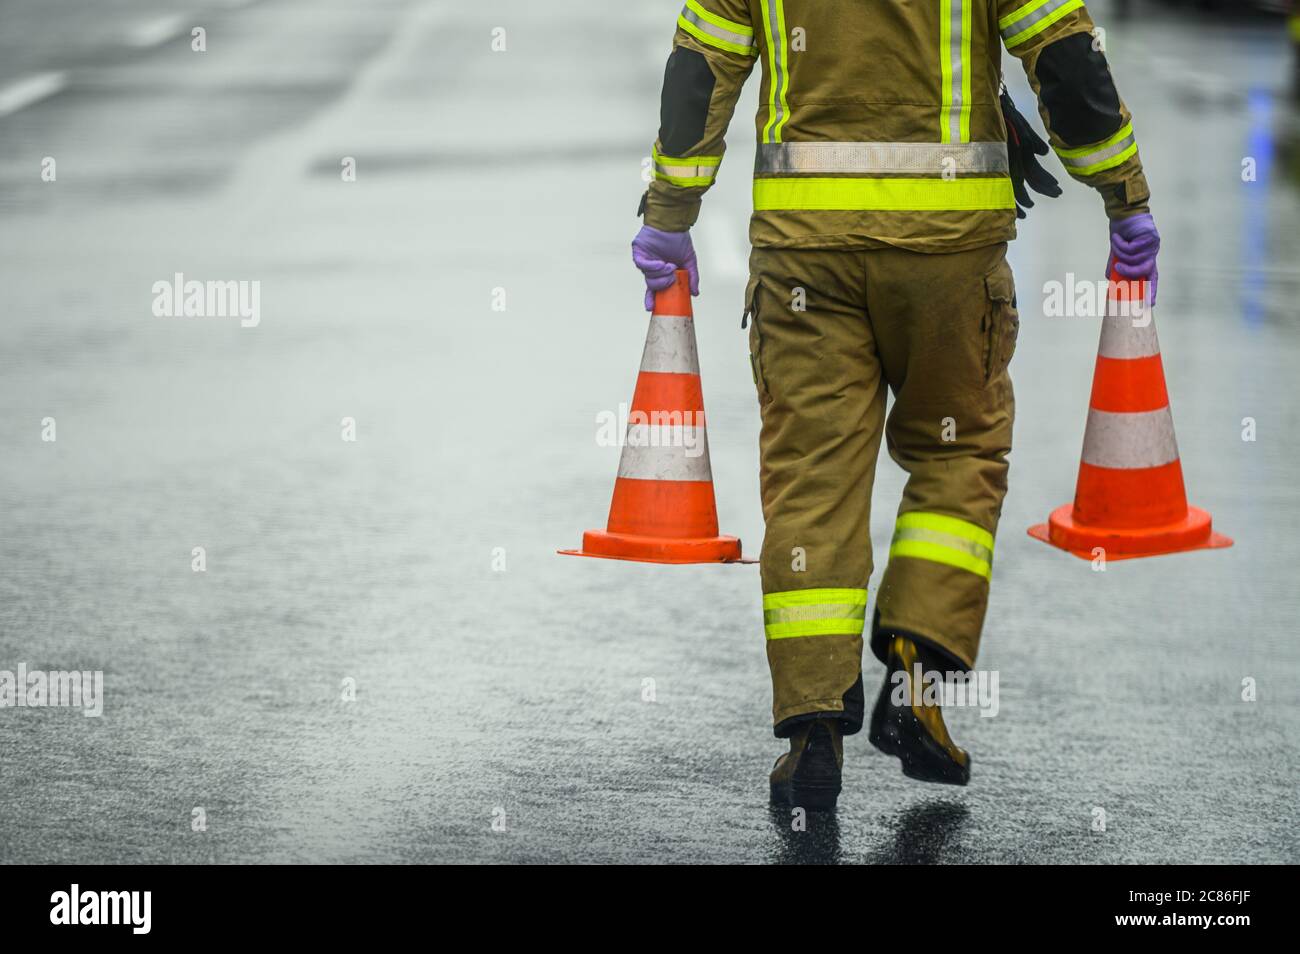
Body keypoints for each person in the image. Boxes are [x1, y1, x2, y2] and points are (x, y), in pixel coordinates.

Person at [632, 0, 1160, 810]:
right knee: (959, 453)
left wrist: (671, 212)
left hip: (805, 256)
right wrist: (1124, 196)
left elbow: (702, 72)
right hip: (947, 256)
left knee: (811, 476)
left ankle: (813, 729)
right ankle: (919, 664)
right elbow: (1062, 55)